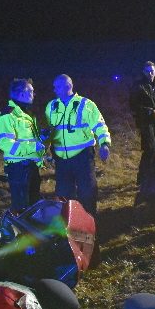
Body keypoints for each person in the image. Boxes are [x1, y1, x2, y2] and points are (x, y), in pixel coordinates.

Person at [43, 75, 111, 216]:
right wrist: (45, 150)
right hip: (61, 159)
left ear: (68, 86)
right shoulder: (51, 106)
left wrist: (104, 144)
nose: (54, 90)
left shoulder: (85, 104)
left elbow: (100, 125)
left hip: (83, 157)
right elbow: (49, 131)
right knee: (63, 195)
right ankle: (68, 227)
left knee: (87, 192)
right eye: (54, 87)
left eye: (57, 86)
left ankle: (89, 223)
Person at [0, 78, 46, 212]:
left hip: (31, 166)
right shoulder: (7, 115)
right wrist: (33, 147)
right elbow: (4, 143)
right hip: (18, 168)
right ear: (21, 93)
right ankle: (20, 232)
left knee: (34, 205)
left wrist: (41, 136)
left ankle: (34, 232)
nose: (33, 94)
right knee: (22, 208)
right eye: (31, 91)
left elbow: (26, 138)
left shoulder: (26, 114)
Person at [129, 61, 155, 191]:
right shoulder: (139, 86)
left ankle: (150, 176)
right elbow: (133, 105)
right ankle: (142, 177)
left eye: (152, 71)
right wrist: (149, 110)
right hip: (146, 122)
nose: (150, 73)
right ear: (144, 72)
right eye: (148, 71)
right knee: (150, 148)